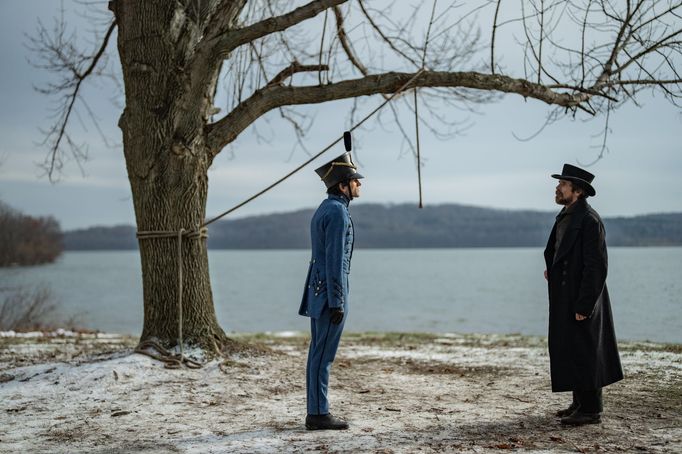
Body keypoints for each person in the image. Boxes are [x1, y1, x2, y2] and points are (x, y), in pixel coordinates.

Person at [543, 164, 624, 426]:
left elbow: (597, 265)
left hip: (582, 296)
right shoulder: (566, 215)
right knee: (572, 347)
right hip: (567, 294)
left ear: (576, 191)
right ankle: (579, 402)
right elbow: (562, 252)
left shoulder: (589, 219)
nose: (557, 187)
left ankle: (591, 410)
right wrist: (553, 271)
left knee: (587, 350)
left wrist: (586, 303)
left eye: (562, 184)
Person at [299, 151, 363, 431]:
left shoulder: (329, 208)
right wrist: (337, 301)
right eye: (355, 181)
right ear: (342, 185)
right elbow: (335, 260)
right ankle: (318, 413)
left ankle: (317, 410)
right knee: (323, 355)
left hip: (321, 288)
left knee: (319, 352)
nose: (359, 185)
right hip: (329, 292)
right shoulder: (336, 212)